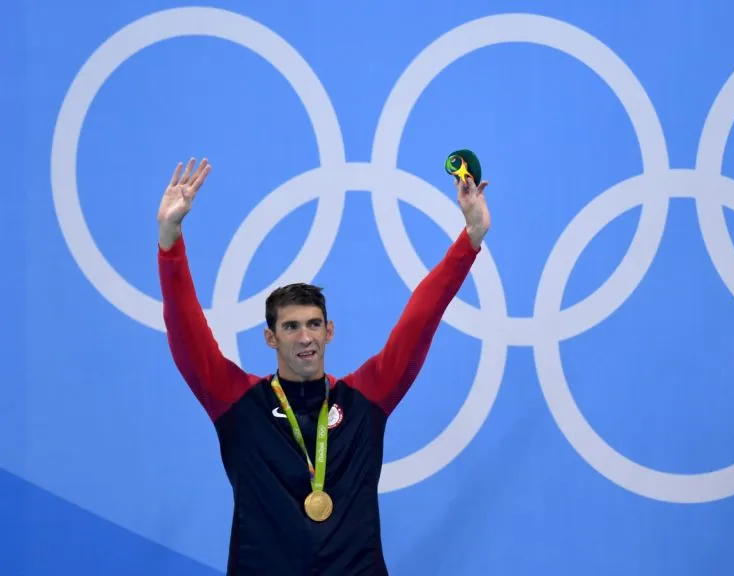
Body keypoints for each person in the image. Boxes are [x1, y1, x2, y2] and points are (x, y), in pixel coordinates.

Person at [157, 157, 491, 575]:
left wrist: (470, 241)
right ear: (270, 337)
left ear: (329, 331)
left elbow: (419, 320)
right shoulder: (239, 402)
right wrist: (170, 241)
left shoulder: (365, 398)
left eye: (314, 324)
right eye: (291, 326)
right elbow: (187, 336)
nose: (305, 337)